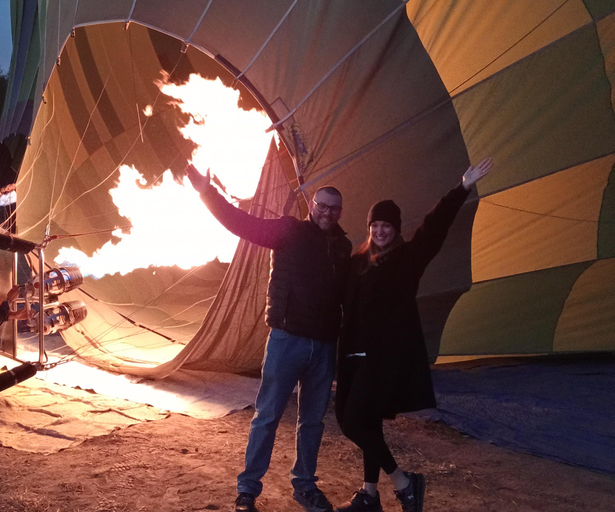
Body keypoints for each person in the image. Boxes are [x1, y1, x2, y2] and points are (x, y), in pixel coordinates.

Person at [185, 163, 352, 512]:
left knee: (313, 421)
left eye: (333, 208)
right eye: (321, 205)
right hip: (287, 339)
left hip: (323, 345)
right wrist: (206, 192)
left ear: (340, 212)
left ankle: (305, 486)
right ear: (312, 206)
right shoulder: (288, 231)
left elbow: (348, 294)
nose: (327, 212)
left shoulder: (343, 246)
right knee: (268, 416)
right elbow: (241, 223)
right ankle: (247, 491)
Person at [334, 158, 494, 512]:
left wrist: (462, 187)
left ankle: (405, 482)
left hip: (382, 359)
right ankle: (369, 495)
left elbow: (434, 228)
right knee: (365, 421)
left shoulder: (408, 259)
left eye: (387, 225)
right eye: (375, 224)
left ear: (396, 228)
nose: (380, 230)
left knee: (351, 422)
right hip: (351, 356)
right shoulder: (356, 261)